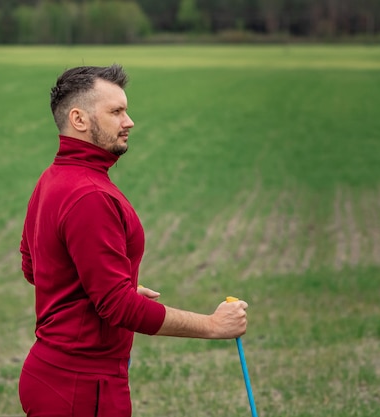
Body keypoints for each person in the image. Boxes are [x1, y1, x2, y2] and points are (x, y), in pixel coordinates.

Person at [18, 64, 249, 417]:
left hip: (56, 379)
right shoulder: (90, 195)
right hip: (80, 389)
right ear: (79, 119)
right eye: (116, 111)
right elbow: (118, 308)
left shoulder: (53, 178)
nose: (129, 121)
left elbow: (37, 268)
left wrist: (106, 284)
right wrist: (213, 325)